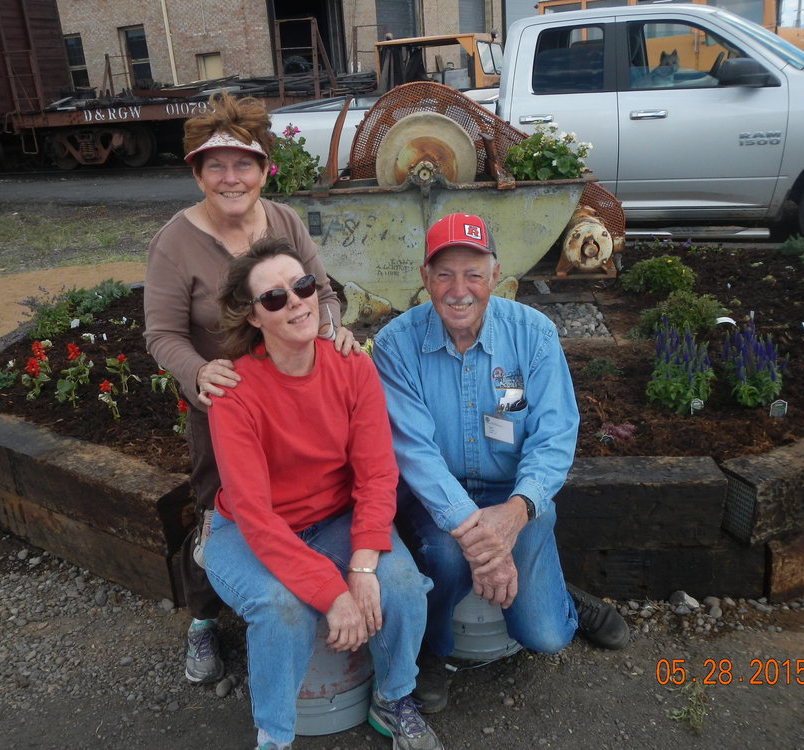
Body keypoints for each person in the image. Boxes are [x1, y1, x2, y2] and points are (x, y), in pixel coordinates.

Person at [142, 93, 360, 686]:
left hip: (296, 401)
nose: (231, 178)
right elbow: (161, 334)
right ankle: (204, 620)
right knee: (221, 515)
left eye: (244, 164)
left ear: (266, 170)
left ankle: (294, 592)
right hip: (225, 406)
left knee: (301, 499)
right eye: (216, 166)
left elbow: (325, 293)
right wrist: (196, 371)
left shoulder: (284, 222)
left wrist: (334, 329)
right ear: (197, 174)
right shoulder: (176, 243)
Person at [372, 213, 629, 714]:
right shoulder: (396, 345)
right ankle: (432, 648)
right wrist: (475, 533)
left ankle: (564, 598)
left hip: (515, 496)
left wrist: (512, 515)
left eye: (473, 273)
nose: (458, 289)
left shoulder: (533, 334)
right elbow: (414, 451)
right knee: (444, 556)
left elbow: (553, 436)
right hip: (438, 501)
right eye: (444, 274)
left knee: (548, 637)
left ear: (495, 275)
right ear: (425, 278)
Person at [204, 237, 442, 750]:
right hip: (249, 532)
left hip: (333, 519)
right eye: (274, 298)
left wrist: (360, 566)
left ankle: (394, 698)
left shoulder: (352, 366)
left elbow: (377, 475)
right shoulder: (235, 392)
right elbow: (253, 512)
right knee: (280, 606)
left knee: (399, 585)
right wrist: (332, 593)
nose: (295, 302)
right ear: (252, 317)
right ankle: (275, 736)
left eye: (303, 285)